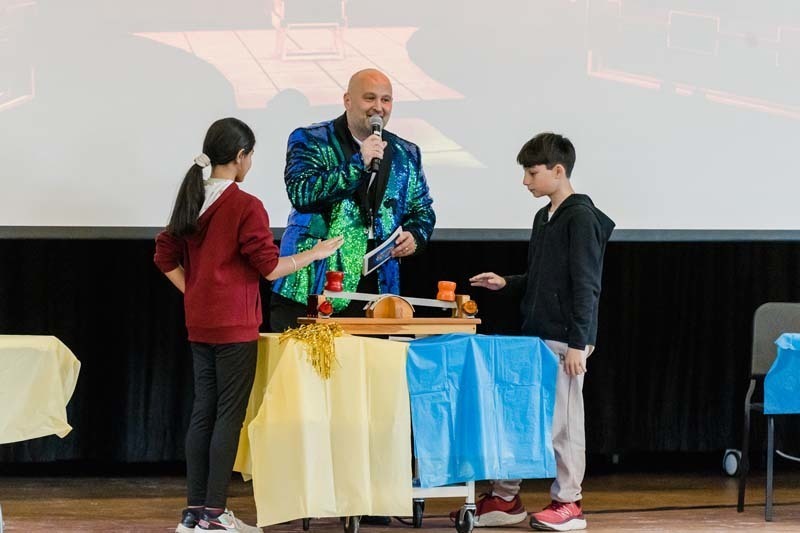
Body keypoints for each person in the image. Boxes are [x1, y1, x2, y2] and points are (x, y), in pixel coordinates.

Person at [154, 117, 343, 533]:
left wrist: (196, 290)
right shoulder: (245, 205)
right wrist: (316, 253)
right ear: (240, 157)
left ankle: (194, 512)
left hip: (200, 323)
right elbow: (272, 269)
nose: (251, 162)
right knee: (228, 417)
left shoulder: (192, 198)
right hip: (235, 325)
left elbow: (163, 256)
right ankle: (216, 514)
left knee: (203, 412)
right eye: (251, 155)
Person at [466, 133, 614, 531]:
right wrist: (507, 283)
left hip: (566, 338)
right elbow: (544, 277)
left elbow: (586, 284)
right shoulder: (544, 216)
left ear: (558, 171)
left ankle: (569, 501)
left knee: (563, 424)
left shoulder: (581, 217)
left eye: (532, 172)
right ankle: (506, 497)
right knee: (522, 418)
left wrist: (578, 343)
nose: (526, 181)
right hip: (536, 335)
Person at [269, 68, 435, 332]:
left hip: (377, 288)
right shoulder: (310, 139)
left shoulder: (406, 152)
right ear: (347, 100)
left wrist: (415, 235)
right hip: (313, 283)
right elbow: (302, 194)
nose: (378, 108)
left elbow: (422, 210)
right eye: (369, 98)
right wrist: (359, 162)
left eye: (386, 100)